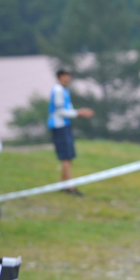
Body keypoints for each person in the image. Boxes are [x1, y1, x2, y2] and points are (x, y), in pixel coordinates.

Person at [47, 68, 94, 196]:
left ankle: (62, 184)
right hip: (59, 125)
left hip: (65, 125)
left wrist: (78, 112)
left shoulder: (64, 90)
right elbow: (61, 111)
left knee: (68, 156)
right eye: (66, 75)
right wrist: (79, 113)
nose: (69, 78)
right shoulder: (58, 90)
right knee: (65, 157)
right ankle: (70, 186)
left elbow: (68, 109)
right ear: (60, 76)